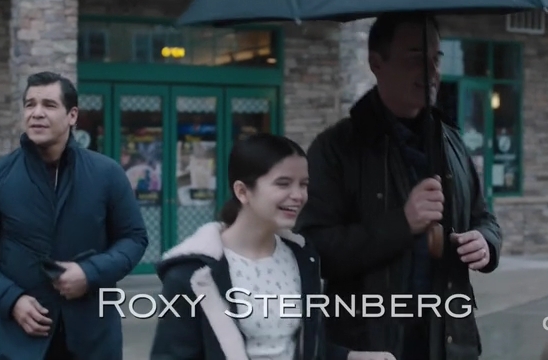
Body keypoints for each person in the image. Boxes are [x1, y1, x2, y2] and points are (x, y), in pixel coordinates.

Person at [294, 12, 503, 360]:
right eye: (415, 58)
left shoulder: (451, 141)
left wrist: (486, 242)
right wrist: (402, 223)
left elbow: (484, 217)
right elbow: (313, 251)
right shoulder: (337, 148)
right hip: (371, 345)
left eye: (436, 59)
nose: (431, 72)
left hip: (449, 342)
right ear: (377, 63)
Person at [0, 72, 149, 360]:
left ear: (72, 115)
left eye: (48, 105)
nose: (37, 113)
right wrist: (11, 300)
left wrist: (90, 273)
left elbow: (134, 238)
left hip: (93, 338)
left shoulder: (107, 174)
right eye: (30, 104)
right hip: (19, 341)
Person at [150, 133, 394, 360]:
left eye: (304, 184)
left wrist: (353, 357)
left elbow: (305, 347)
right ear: (242, 191)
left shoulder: (303, 258)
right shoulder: (192, 274)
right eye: (283, 183)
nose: (298, 195)